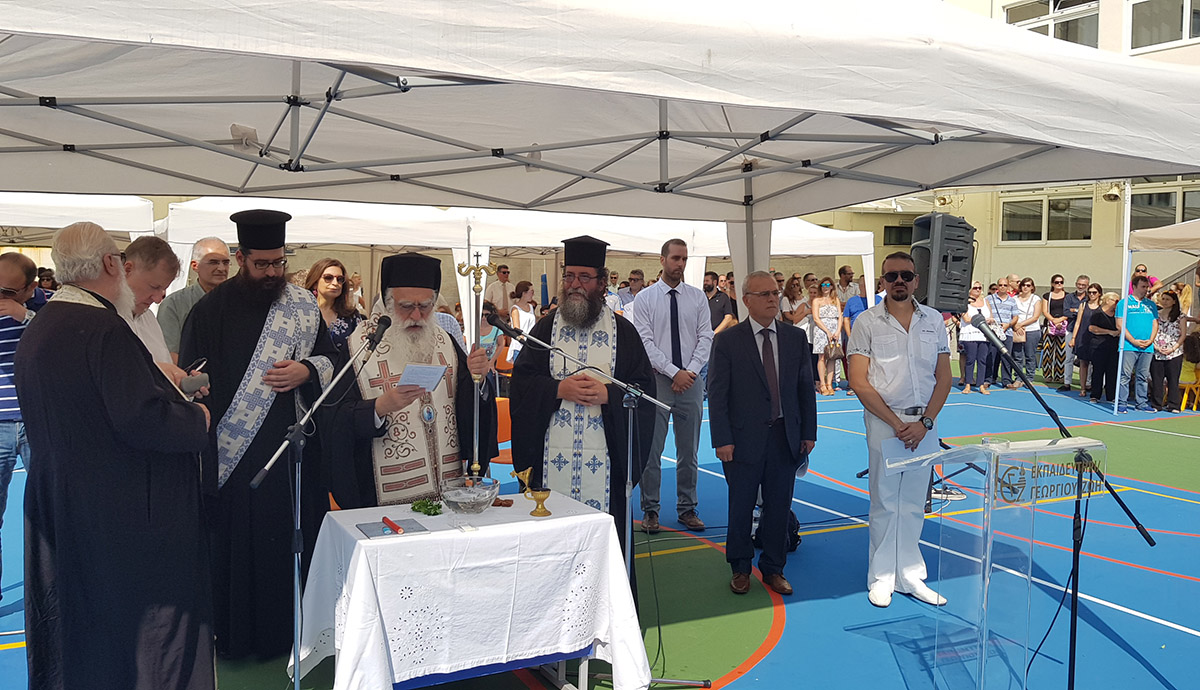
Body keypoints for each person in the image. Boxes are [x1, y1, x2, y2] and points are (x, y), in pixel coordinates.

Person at [16, 222, 213, 690]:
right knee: (132, 633)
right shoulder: (103, 328)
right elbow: (141, 419)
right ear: (111, 264)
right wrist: (197, 419)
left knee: (77, 624)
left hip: (64, 500)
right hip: (118, 512)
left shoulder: (44, 324)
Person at [178, 209, 338, 660]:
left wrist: (307, 370)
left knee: (294, 541)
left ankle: (300, 634)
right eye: (262, 264)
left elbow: (332, 359)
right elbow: (192, 378)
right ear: (241, 258)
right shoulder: (209, 311)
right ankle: (242, 640)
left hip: (294, 452)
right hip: (237, 457)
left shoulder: (302, 305)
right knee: (242, 549)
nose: (271, 273)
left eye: (278, 263)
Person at [510, 236, 656, 560]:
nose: (575, 284)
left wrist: (610, 394)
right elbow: (521, 385)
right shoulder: (545, 330)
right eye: (569, 276)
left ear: (602, 283)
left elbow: (645, 392)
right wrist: (557, 390)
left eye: (584, 277)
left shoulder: (624, 333)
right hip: (549, 467)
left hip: (606, 468)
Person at [324, 252, 497, 509]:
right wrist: (379, 407)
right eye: (406, 307)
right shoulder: (361, 346)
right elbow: (335, 419)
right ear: (388, 303)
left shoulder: (446, 342)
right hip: (385, 497)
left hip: (448, 492)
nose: (416, 316)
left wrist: (479, 380)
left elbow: (469, 407)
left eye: (425, 306)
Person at [848, 251, 952, 609]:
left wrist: (925, 423)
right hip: (885, 423)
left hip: (924, 425)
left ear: (916, 280)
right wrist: (897, 425)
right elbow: (858, 381)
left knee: (913, 504)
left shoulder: (934, 320)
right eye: (891, 276)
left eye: (906, 275)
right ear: (882, 281)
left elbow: (944, 377)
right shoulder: (866, 322)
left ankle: (910, 575)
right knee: (885, 503)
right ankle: (881, 577)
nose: (899, 282)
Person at [708, 271, 816, 596]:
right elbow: (718, 394)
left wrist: (808, 432)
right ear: (747, 300)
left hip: (785, 437)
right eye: (764, 294)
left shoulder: (795, 338)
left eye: (775, 293)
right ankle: (740, 568)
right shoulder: (728, 341)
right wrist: (722, 439)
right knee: (741, 506)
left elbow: (804, 389)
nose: (772, 299)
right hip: (742, 440)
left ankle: (773, 568)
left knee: (779, 506)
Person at [632, 238, 713, 533]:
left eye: (684, 259)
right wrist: (672, 371)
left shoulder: (697, 298)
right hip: (657, 382)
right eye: (676, 258)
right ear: (663, 260)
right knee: (652, 451)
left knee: (689, 451)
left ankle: (687, 507)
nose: (680, 264)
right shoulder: (645, 299)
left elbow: (706, 337)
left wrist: (689, 371)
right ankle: (651, 510)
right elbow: (644, 342)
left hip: (690, 382)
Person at [0, 252, 36, 604]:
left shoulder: (44, 311)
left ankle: (51, 591)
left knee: (49, 511)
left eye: (8, 292)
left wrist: (24, 315)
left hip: (37, 421)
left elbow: (62, 338)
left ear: (29, 289)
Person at [158, 237, 231, 363]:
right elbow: (170, 354)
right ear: (195, 266)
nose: (221, 268)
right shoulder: (174, 304)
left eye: (225, 262)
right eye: (213, 262)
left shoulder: (240, 302)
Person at [1116, 275, 1159, 413]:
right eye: (1143, 287)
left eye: (1147, 287)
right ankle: (1121, 402)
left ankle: (1141, 402)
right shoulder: (1124, 303)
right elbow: (1120, 325)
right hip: (1129, 346)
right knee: (1125, 375)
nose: (1146, 290)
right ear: (1134, 287)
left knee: (1143, 376)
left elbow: (1155, 323)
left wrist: (1151, 340)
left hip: (1147, 347)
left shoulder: (1151, 304)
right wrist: (1133, 340)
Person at [304, 257, 362, 355]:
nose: (335, 283)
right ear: (315, 283)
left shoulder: (352, 316)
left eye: (340, 279)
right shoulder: (303, 313)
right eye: (328, 278)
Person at [1150, 291, 1194, 413]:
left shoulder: (1181, 317)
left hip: (1174, 352)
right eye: (1163, 299)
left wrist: (1173, 348)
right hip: (1157, 351)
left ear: (1174, 301)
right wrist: (1156, 347)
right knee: (1157, 379)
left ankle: (1173, 405)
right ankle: (1156, 404)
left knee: (1173, 379)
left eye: (1167, 299)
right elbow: (1151, 331)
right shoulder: (1156, 315)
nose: (1164, 301)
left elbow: (1183, 334)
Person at [810, 277, 843, 396]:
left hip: (834, 329)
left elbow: (840, 317)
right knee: (822, 357)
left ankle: (830, 383)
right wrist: (827, 331)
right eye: (823, 285)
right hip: (821, 330)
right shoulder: (817, 301)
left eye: (828, 285)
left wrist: (837, 331)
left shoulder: (835, 300)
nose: (825, 287)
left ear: (832, 286)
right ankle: (822, 384)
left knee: (832, 357)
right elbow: (816, 318)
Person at [1088, 292, 1121, 404]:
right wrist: (1109, 332)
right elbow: (1092, 328)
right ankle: (1095, 395)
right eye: (1116, 301)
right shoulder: (1097, 313)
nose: (1117, 303)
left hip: (1114, 346)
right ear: (1107, 300)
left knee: (1112, 371)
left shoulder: (1118, 315)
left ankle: (1111, 395)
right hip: (1099, 346)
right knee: (1098, 370)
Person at [1071, 283, 1102, 398]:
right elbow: (1078, 322)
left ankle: (1095, 388)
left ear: (1099, 294)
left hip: (1097, 338)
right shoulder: (1083, 305)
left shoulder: (1102, 306)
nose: (1092, 294)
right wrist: (1073, 338)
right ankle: (1083, 388)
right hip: (1083, 337)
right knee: (1083, 363)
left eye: (1094, 292)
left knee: (1096, 365)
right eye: (1090, 292)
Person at [960, 281, 991, 394]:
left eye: (979, 288)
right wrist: (981, 319)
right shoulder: (964, 302)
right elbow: (966, 319)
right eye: (975, 288)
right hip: (970, 334)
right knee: (970, 359)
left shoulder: (986, 301)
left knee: (982, 360)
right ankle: (967, 384)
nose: (977, 290)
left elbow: (991, 317)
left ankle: (981, 385)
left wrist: (989, 320)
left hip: (983, 335)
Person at [986, 277, 1019, 387]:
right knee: (991, 356)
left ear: (1008, 286)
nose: (1002, 287)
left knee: (1006, 357)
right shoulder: (989, 299)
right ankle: (989, 379)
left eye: (1005, 285)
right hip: (992, 333)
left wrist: (1008, 325)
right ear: (997, 286)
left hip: (1007, 333)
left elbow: (1015, 317)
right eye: (1000, 285)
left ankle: (1006, 381)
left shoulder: (1012, 301)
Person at [1011, 278, 1043, 387]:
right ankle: (1018, 377)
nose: (1025, 287)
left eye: (1028, 285)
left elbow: (1035, 316)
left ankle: (1029, 378)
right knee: (1017, 356)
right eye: (1024, 285)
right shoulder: (1014, 299)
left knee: (1030, 355)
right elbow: (1011, 314)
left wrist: (1021, 324)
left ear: (1032, 287)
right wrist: (1016, 326)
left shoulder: (1036, 299)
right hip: (1017, 329)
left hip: (1032, 330)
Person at [1062, 275, 1090, 392]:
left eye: (1083, 285)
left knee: (1087, 359)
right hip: (1071, 329)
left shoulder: (1090, 298)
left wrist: (1075, 310)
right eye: (1079, 284)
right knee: (1069, 357)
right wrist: (1080, 312)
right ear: (1075, 284)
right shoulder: (1069, 297)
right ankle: (1067, 383)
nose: (1081, 286)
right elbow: (1066, 312)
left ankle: (1088, 383)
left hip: (1085, 332)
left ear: (1087, 285)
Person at [507, 279, 537, 363]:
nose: (533, 294)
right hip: (519, 346)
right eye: (531, 292)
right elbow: (517, 329)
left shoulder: (530, 307)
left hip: (530, 345)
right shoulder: (515, 309)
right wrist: (524, 340)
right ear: (524, 293)